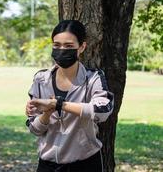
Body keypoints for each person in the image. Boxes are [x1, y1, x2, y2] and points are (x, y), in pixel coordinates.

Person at [25, 20, 114, 172]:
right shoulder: (41, 79)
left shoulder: (93, 78)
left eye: (69, 46)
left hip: (85, 164)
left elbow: (102, 111)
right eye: (56, 45)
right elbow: (34, 128)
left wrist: (58, 104)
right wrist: (47, 113)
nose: (61, 50)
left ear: (82, 47)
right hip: (47, 164)